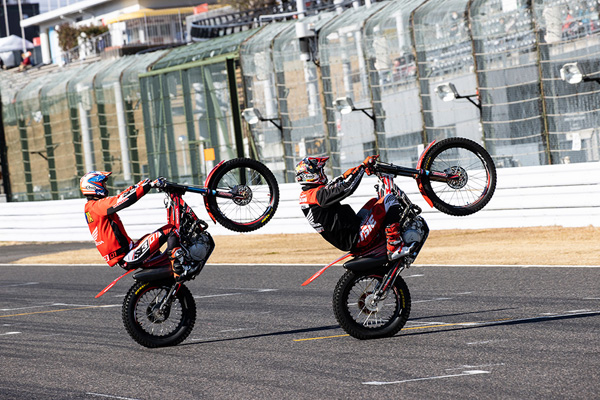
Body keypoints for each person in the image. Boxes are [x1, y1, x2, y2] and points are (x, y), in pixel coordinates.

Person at [296, 156, 408, 261]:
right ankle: (394, 245)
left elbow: (332, 187)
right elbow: (347, 188)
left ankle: (389, 231)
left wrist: (346, 175)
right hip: (355, 238)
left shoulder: (308, 195)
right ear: (310, 175)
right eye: (319, 171)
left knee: (374, 202)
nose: (323, 173)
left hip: (349, 233)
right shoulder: (317, 196)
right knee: (389, 199)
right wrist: (363, 168)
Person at [80, 171, 189, 277]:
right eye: (103, 184)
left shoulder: (91, 207)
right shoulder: (97, 206)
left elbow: (122, 195)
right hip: (128, 256)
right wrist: (147, 186)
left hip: (128, 253)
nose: (106, 187)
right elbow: (123, 200)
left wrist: (140, 184)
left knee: (150, 238)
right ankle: (178, 268)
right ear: (94, 186)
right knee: (171, 230)